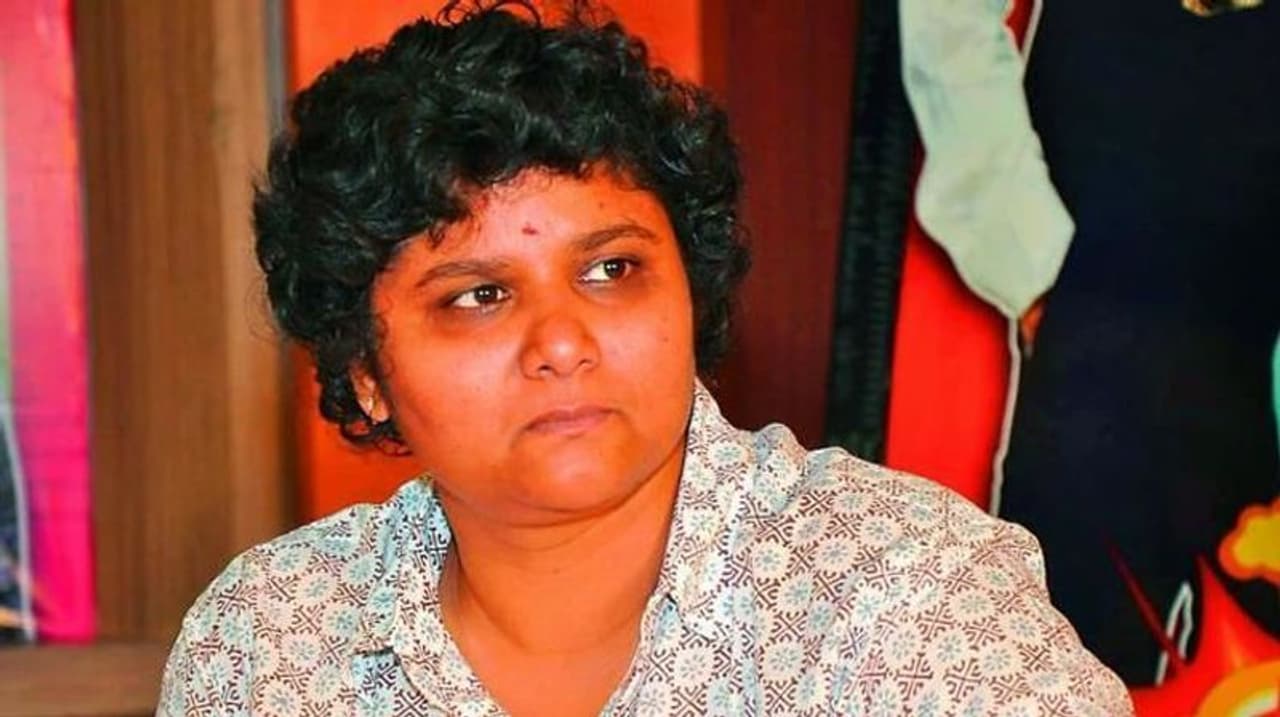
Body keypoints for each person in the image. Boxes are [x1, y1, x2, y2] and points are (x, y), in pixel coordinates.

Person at [158, 2, 1132, 714]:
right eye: (478, 296)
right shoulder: (274, 642)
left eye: (611, 270)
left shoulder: (906, 596)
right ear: (364, 371)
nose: (562, 343)